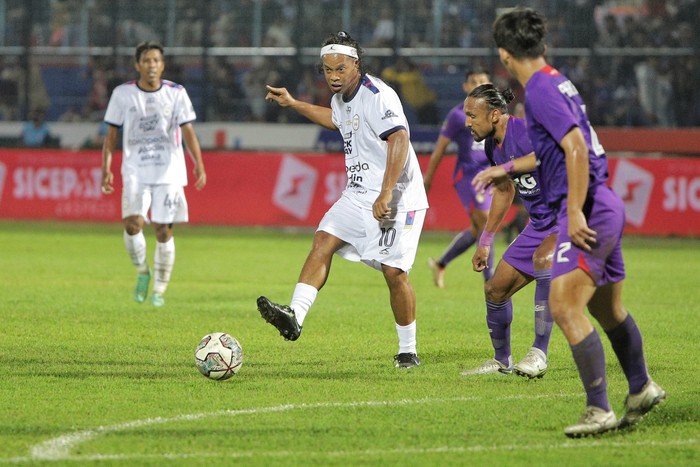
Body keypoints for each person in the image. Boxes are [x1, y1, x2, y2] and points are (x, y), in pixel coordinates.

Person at [493, 7, 665, 437]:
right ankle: (641, 387)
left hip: (587, 206)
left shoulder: (539, 91)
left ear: (504, 56)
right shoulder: (557, 80)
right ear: (542, 47)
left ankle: (599, 409)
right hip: (603, 201)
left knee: (565, 305)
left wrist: (572, 210)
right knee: (607, 307)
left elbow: (574, 148)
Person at [259, 31, 429, 369]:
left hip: (397, 196)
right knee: (323, 240)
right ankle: (295, 316)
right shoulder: (340, 99)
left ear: (356, 63)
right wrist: (294, 104)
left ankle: (407, 349)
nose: (334, 77)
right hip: (356, 194)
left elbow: (399, 138)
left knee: (394, 272)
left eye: (340, 69)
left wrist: (385, 192)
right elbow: (335, 119)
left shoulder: (377, 95)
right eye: (327, 70)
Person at [458, 84, 557, 379]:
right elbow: (504, 193)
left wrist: (505, 168)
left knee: (544, 261)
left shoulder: (524, 130)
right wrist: (485, 241)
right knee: (495, 289)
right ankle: (503, 361)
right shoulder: (492, 145)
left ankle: (539, 354)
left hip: (569, 217)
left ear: (496, 115)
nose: (467, 122)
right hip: (540, 224)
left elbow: (543, 155)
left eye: (472, 115)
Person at [101, 41, 207, 307]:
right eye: (146, 61)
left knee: (163, 231)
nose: (151, 66)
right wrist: (106, 168)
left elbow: (188, 132)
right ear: (138, 65)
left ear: (162, 65)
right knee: (133, 224)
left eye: (156, 61)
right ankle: (142, 273)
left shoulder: (176, 93)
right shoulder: (123, 94)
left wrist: (199, 164)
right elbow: (111, 135)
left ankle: (160, 289)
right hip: (135, 169)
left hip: (169, 171)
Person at [423, 69, 493, 288]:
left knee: (476, 230)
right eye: (474, 81)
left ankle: (441, 264)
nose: (479, 84)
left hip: (490, 175)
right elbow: (440, 148)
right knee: (486, 220)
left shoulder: (495, 112)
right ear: (465, 87)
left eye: (483, 80)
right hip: (468, 175)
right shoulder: (457, 115)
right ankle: (490, 281)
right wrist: (428, 179)